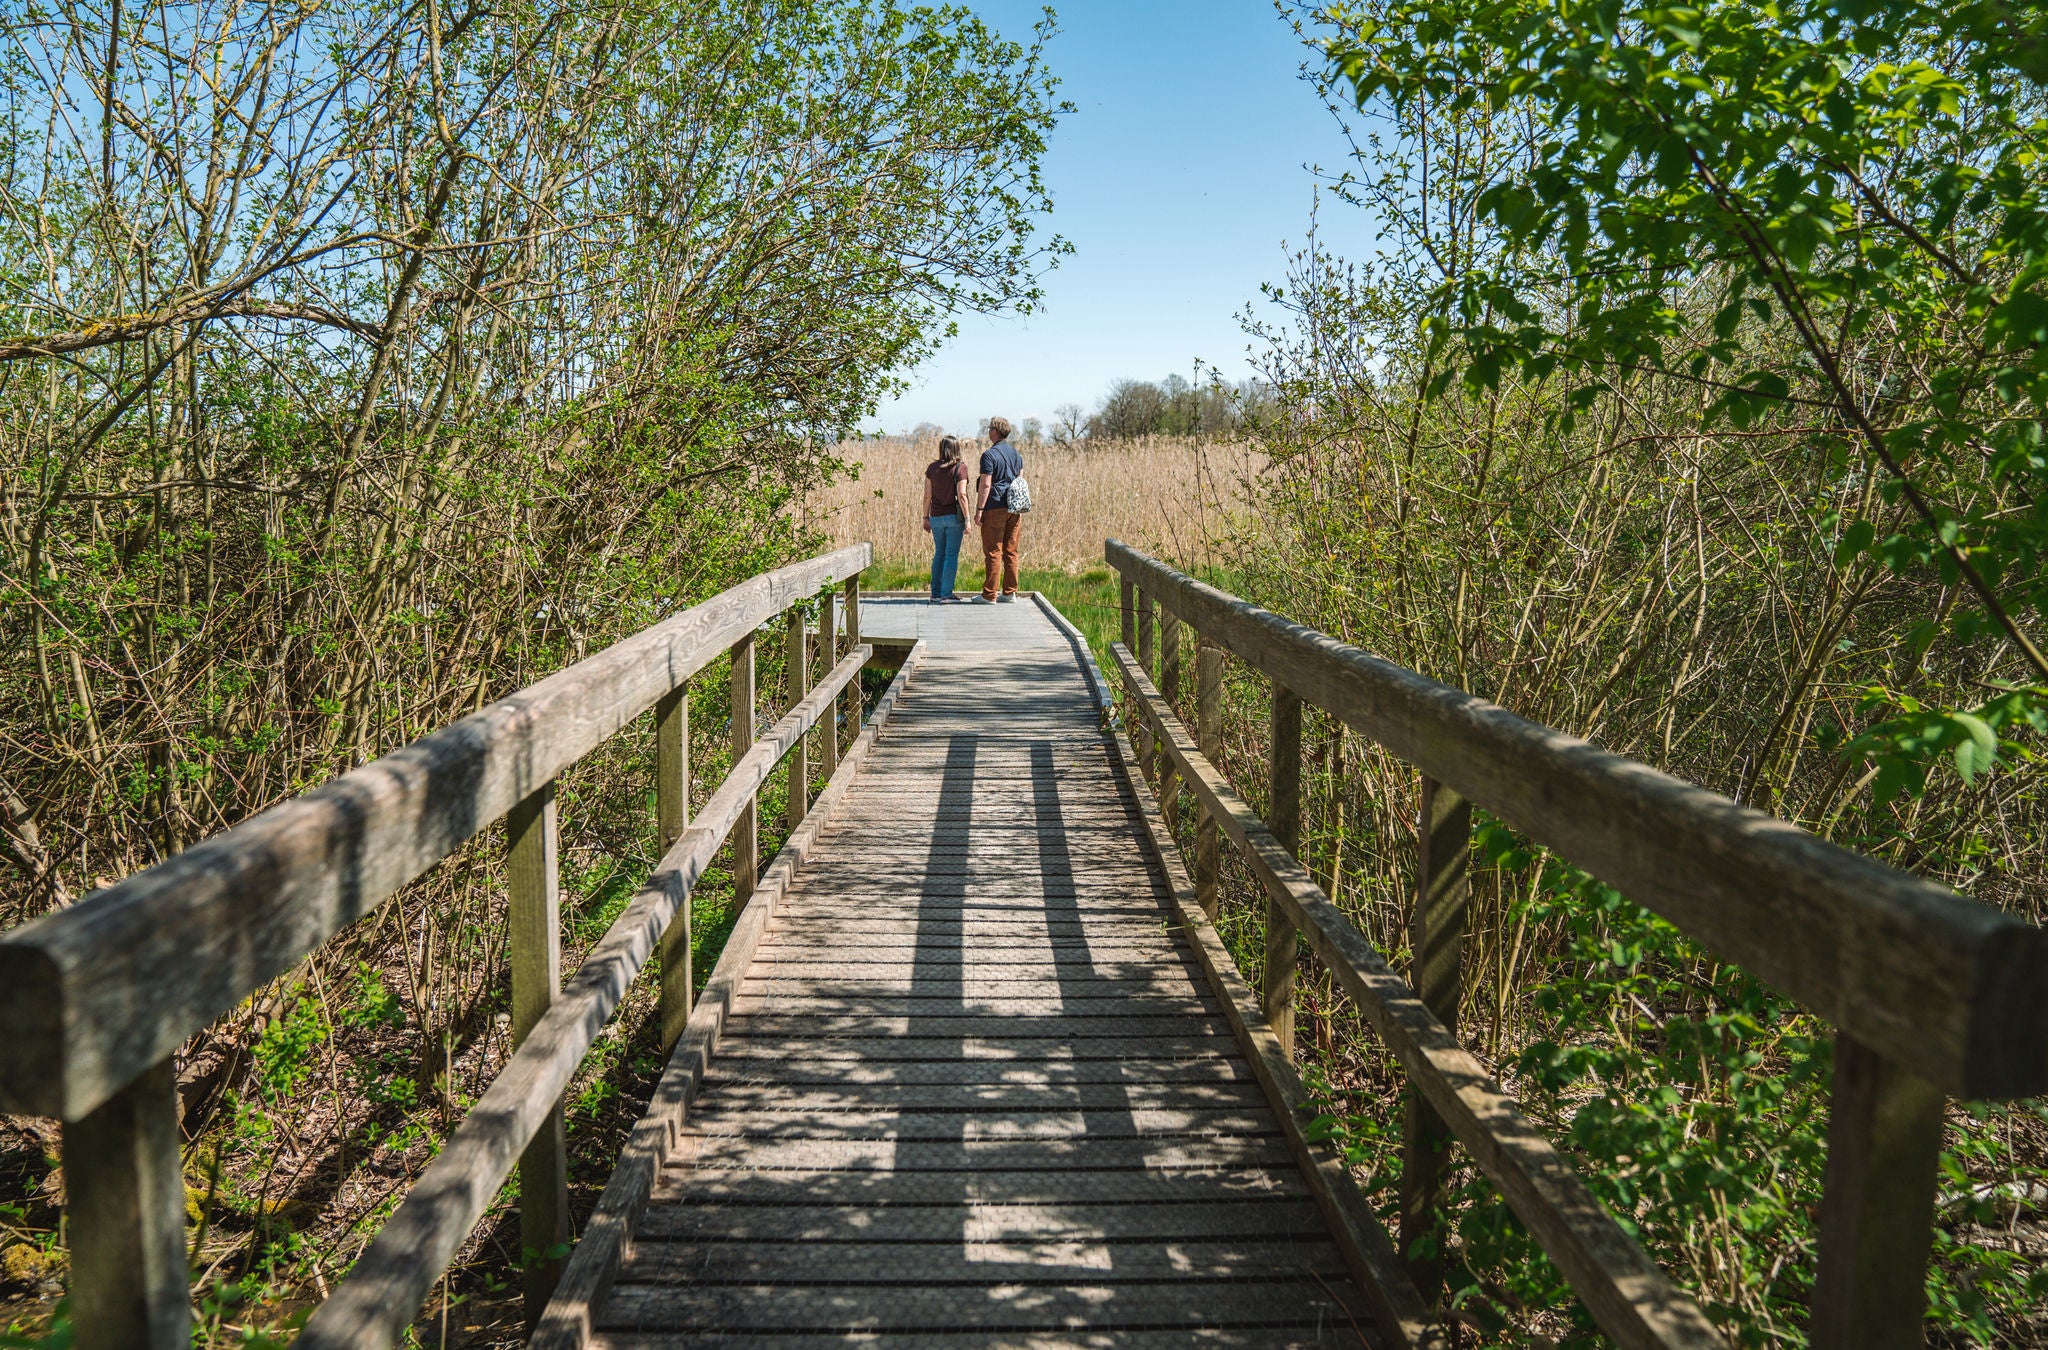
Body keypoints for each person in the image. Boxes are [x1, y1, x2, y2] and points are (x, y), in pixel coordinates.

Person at [973, 416, 1024, 603]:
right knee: (1011, 550)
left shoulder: (989, 455)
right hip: (1014, 507)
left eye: (989, 428)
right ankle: (1010, 592)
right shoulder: (1016, 455)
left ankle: (989, 594)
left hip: (995, 506)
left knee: (993, 550)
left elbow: (985, 484)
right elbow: (1020, 480)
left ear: (994, 431)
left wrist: (979, 510)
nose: (988, 431)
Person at [922, 435, 970, 602]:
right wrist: (968, 519)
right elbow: (962, 495)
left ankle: (935, 593)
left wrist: (925, 517)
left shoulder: (932, 468)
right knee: (951, 555)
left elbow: (927, 496)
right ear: (956, 448)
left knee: (939, 554)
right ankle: (946, 594)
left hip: (935, 517)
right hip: (953, 518)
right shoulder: (960, 468)